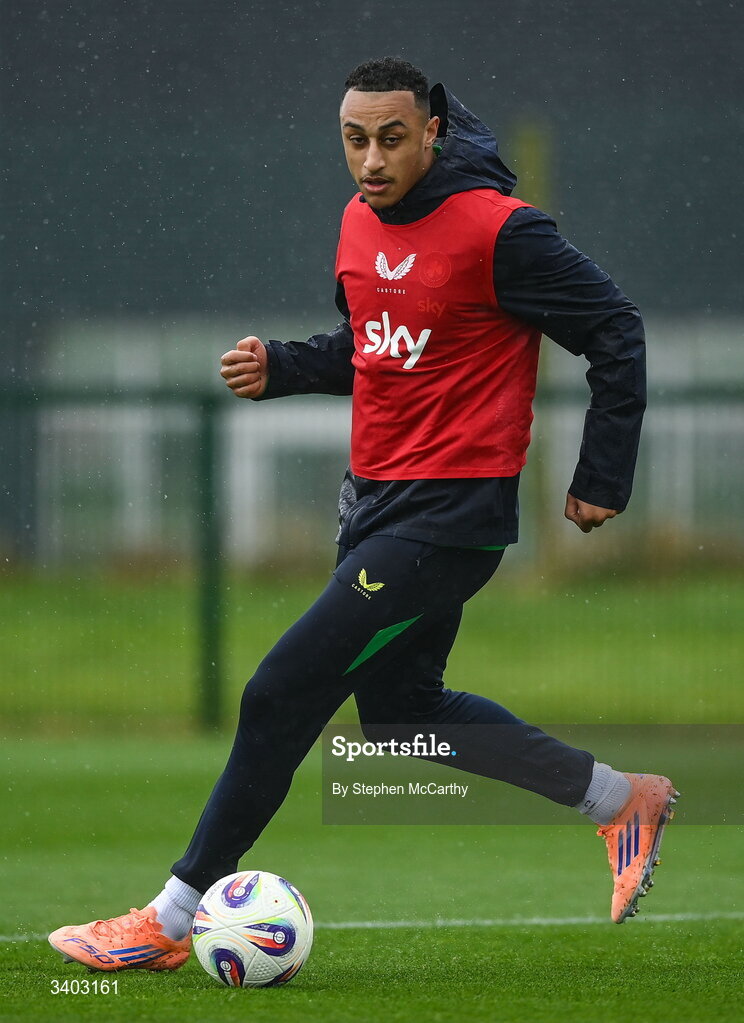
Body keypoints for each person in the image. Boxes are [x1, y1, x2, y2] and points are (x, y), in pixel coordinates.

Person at [49, 56, 678, 973]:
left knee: (278, 689)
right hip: (376, 505)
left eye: (391, 138)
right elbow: (375, 349)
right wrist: (286, 367)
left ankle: (170, 918)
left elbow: (616, 327)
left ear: (432, 133)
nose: (371, 160)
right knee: (399, 714)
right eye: (354, 140)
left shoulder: (503, 232)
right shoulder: (356, 224)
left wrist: (603, 475)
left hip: (452, 515)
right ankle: (622, 801)